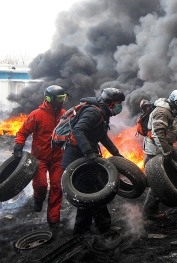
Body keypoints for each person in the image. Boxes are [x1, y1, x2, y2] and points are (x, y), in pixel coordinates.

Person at [61, 87, 125, 234]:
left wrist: (116, 153)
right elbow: (78, 130)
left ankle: (103, 225)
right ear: (109, 102)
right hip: (77, 159)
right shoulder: (93, 112)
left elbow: (102, 135)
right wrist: (89, 152)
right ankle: (81, 231)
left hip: (89, 159)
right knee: (87, 195)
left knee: (98, 191)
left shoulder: (102, 113)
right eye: (118, 103)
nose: (119, 106)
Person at [13, 85, 67, 225]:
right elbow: (23, 132)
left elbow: (71, 133)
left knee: (57, 187)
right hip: (40, 157)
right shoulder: (36, 115)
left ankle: (53, 219)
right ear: (49, 99)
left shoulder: (65, 114)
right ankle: (38, 199)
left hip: (58, 158)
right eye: (59, 98)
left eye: (63, 98)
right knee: (41, 184)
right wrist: (18, 146)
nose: (62, 101)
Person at [142, 90, 177, 219]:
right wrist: (167, 151)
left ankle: (167, 190)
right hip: (156, 150)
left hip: (163, 147)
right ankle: (149, 211)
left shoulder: (170, 111)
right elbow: (158, 134)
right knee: (158, 181)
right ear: (176, 102)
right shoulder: (161, 112)